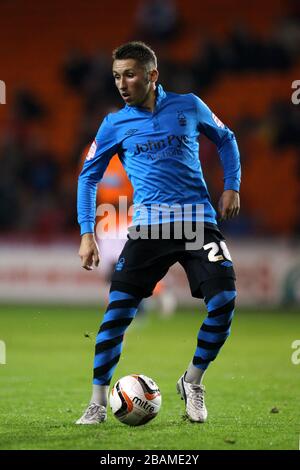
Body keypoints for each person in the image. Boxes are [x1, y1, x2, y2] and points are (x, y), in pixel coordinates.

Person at [76, 41, 241, 424]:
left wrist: (231, 184)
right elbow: (88, 176)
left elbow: (226, 139)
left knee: (225, 301)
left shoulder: (188, 106)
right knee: (117, 314)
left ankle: (193, 381)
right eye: (116, 76)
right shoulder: (114, 123)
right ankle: (98, 401)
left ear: (152, 75)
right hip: (149, 227)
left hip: (197, 221)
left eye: (129, 74)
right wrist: (88, 233)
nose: (121, 83)